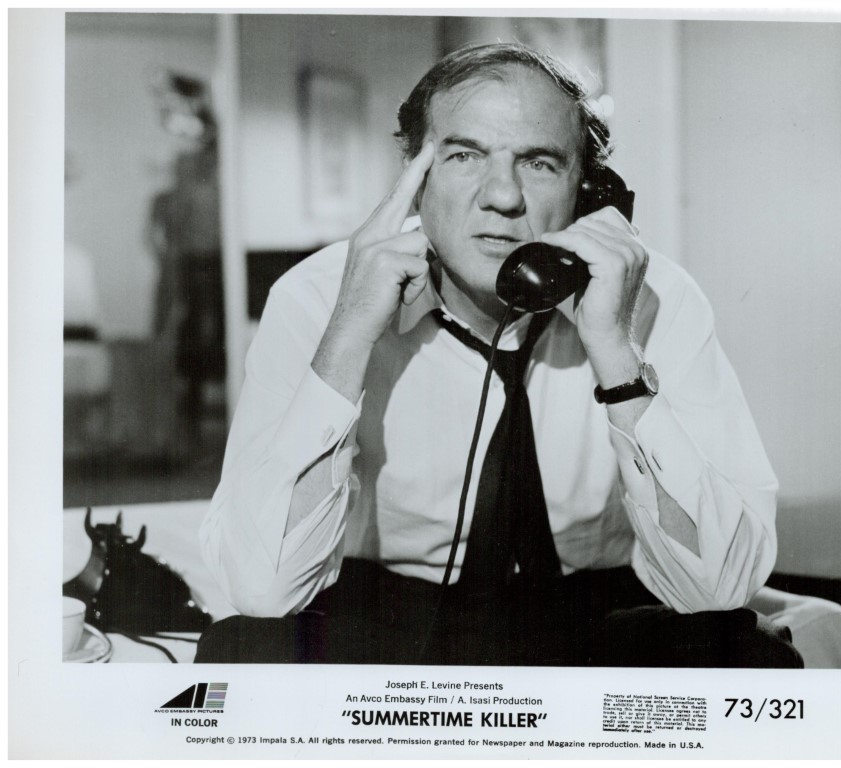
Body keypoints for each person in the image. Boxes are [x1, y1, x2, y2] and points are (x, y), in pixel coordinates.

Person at [196, 43, 801, 667]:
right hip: (389, 613)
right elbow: (261, 590)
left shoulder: (655, 298)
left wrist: (616, 354)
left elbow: (718, 591)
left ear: (589, 192)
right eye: (464, 155)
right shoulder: (318, 298)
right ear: (413, 178)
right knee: (242, 653)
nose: (503, 196)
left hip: (590, 611)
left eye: (539, 163)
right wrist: (348, 334)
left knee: (748, 654)